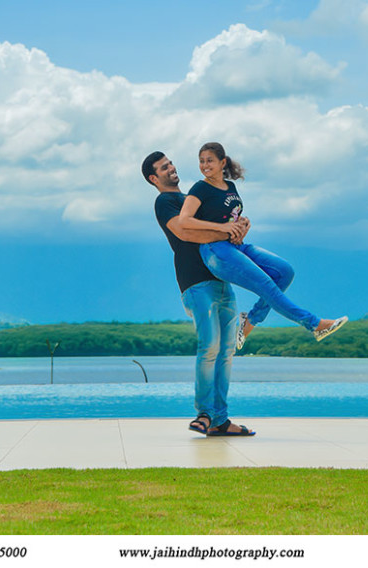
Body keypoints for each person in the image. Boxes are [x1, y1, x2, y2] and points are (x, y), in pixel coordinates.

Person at [178, 142, 348, 344]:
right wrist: (222, 228)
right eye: (202, 161)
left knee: (285, 271)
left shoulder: (230, 187)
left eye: (210, 161)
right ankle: (315, 324)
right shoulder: (200, 188)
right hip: (216, 251)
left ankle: (249, 321)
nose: (205, 165)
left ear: (222, 162)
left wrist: (242, 223)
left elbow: (229, 216)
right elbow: (184, 220)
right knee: (265, 284)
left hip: (236, 245)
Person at [142, 151, 256, 437]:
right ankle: (204, 414)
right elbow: (184, 231)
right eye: (164, 168)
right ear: (153, 178)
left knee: (226, 352)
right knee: (210, 346)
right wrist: (224, 230)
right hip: (195, 281)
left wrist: (239, 226)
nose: (172, 169)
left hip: (220, 278)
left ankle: (221, 419)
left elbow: (224, 223)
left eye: (171, 163)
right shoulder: (165, 201)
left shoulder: (195, 197)